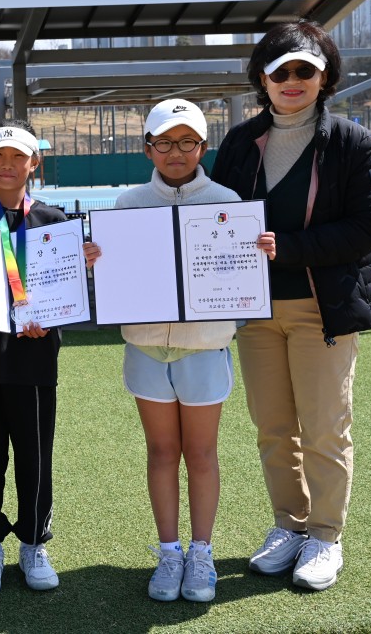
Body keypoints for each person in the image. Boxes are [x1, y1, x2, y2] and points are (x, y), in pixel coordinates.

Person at [211, 20, 371, 592]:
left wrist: (288, 248)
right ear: (262, 80)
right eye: (280, 71)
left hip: (323, 311)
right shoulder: (240, 143)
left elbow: (370, 224)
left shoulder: (353, 143)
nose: (292, 81)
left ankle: (325, 535)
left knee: (324, 430)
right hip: (255, 313)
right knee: (272, 428)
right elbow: (209, 216)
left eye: (304, 71)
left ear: (324, 77)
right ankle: (289, 524)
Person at [104, 99, 275, 603]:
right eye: (164, 142)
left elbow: (243, 280)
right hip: (145, 347)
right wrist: (97, 258)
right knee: (161, 452)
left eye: (186, 141)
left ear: (203, 147)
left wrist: (258, 253)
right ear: (147, 148)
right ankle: (169, 551)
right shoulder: (127, 204)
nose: (175, 152)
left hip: (204, 347)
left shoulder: (228, 201)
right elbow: (117, 273)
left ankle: (202, 552)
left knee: (201, 454)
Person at [0, 120, 100, 598]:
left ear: (34, 163)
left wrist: (80, 269)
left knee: (35, 456)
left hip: (35, 357)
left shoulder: (55, 222)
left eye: (18, 156)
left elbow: (65, 291)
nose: (8, 165)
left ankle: (34, 542)